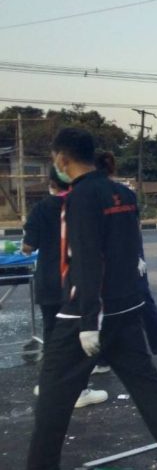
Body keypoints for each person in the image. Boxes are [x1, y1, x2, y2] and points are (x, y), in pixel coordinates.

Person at [0, 128, 157, 470]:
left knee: (54, 391)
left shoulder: (79, 198)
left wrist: (89, 320)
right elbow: (128, 248)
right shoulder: (122, 193)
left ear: (62, 159)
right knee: (146, 382)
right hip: (126, 306)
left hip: (85, 314)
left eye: (55, 159)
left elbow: (87, 258)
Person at [22, 167, 107, 409]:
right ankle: (79, 389)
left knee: (52, 335)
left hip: (48, 282)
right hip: (73, 281)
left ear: (51, 183)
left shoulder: (40, 208)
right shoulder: (79, 205)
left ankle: (48, 384)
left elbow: (28, 247)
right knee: (77, 336)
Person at [94, 151, 157, 371]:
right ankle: (103, 358)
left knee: (139, 303)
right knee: (114, 307)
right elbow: (134, 227)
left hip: (121, 258)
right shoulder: (120, 193)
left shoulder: (100, 195)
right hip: (122, 256)